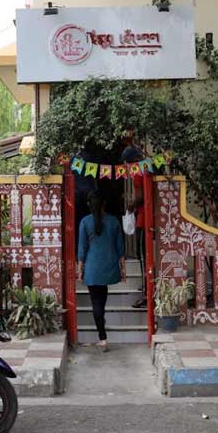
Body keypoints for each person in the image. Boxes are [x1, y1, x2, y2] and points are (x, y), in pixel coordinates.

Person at [78, 190, 125, 352]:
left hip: (92, 268)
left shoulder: (85, 222)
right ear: (104, 204)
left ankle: (103, 338)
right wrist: (123, 270)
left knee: (96, 303)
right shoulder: (114, 221)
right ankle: (103, 337)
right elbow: (121, 249)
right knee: (101, 302)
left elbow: (82, 249)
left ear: (89, 205)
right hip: (109, 267)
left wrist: (80, 269)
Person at [120, 129, 147, 309]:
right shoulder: (148, 168)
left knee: (143, 257)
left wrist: (130, 205)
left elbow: (140, 196)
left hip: (143, 221)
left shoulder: (139, 173)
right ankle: (146, 287)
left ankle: (146, 293)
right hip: (148, 219)